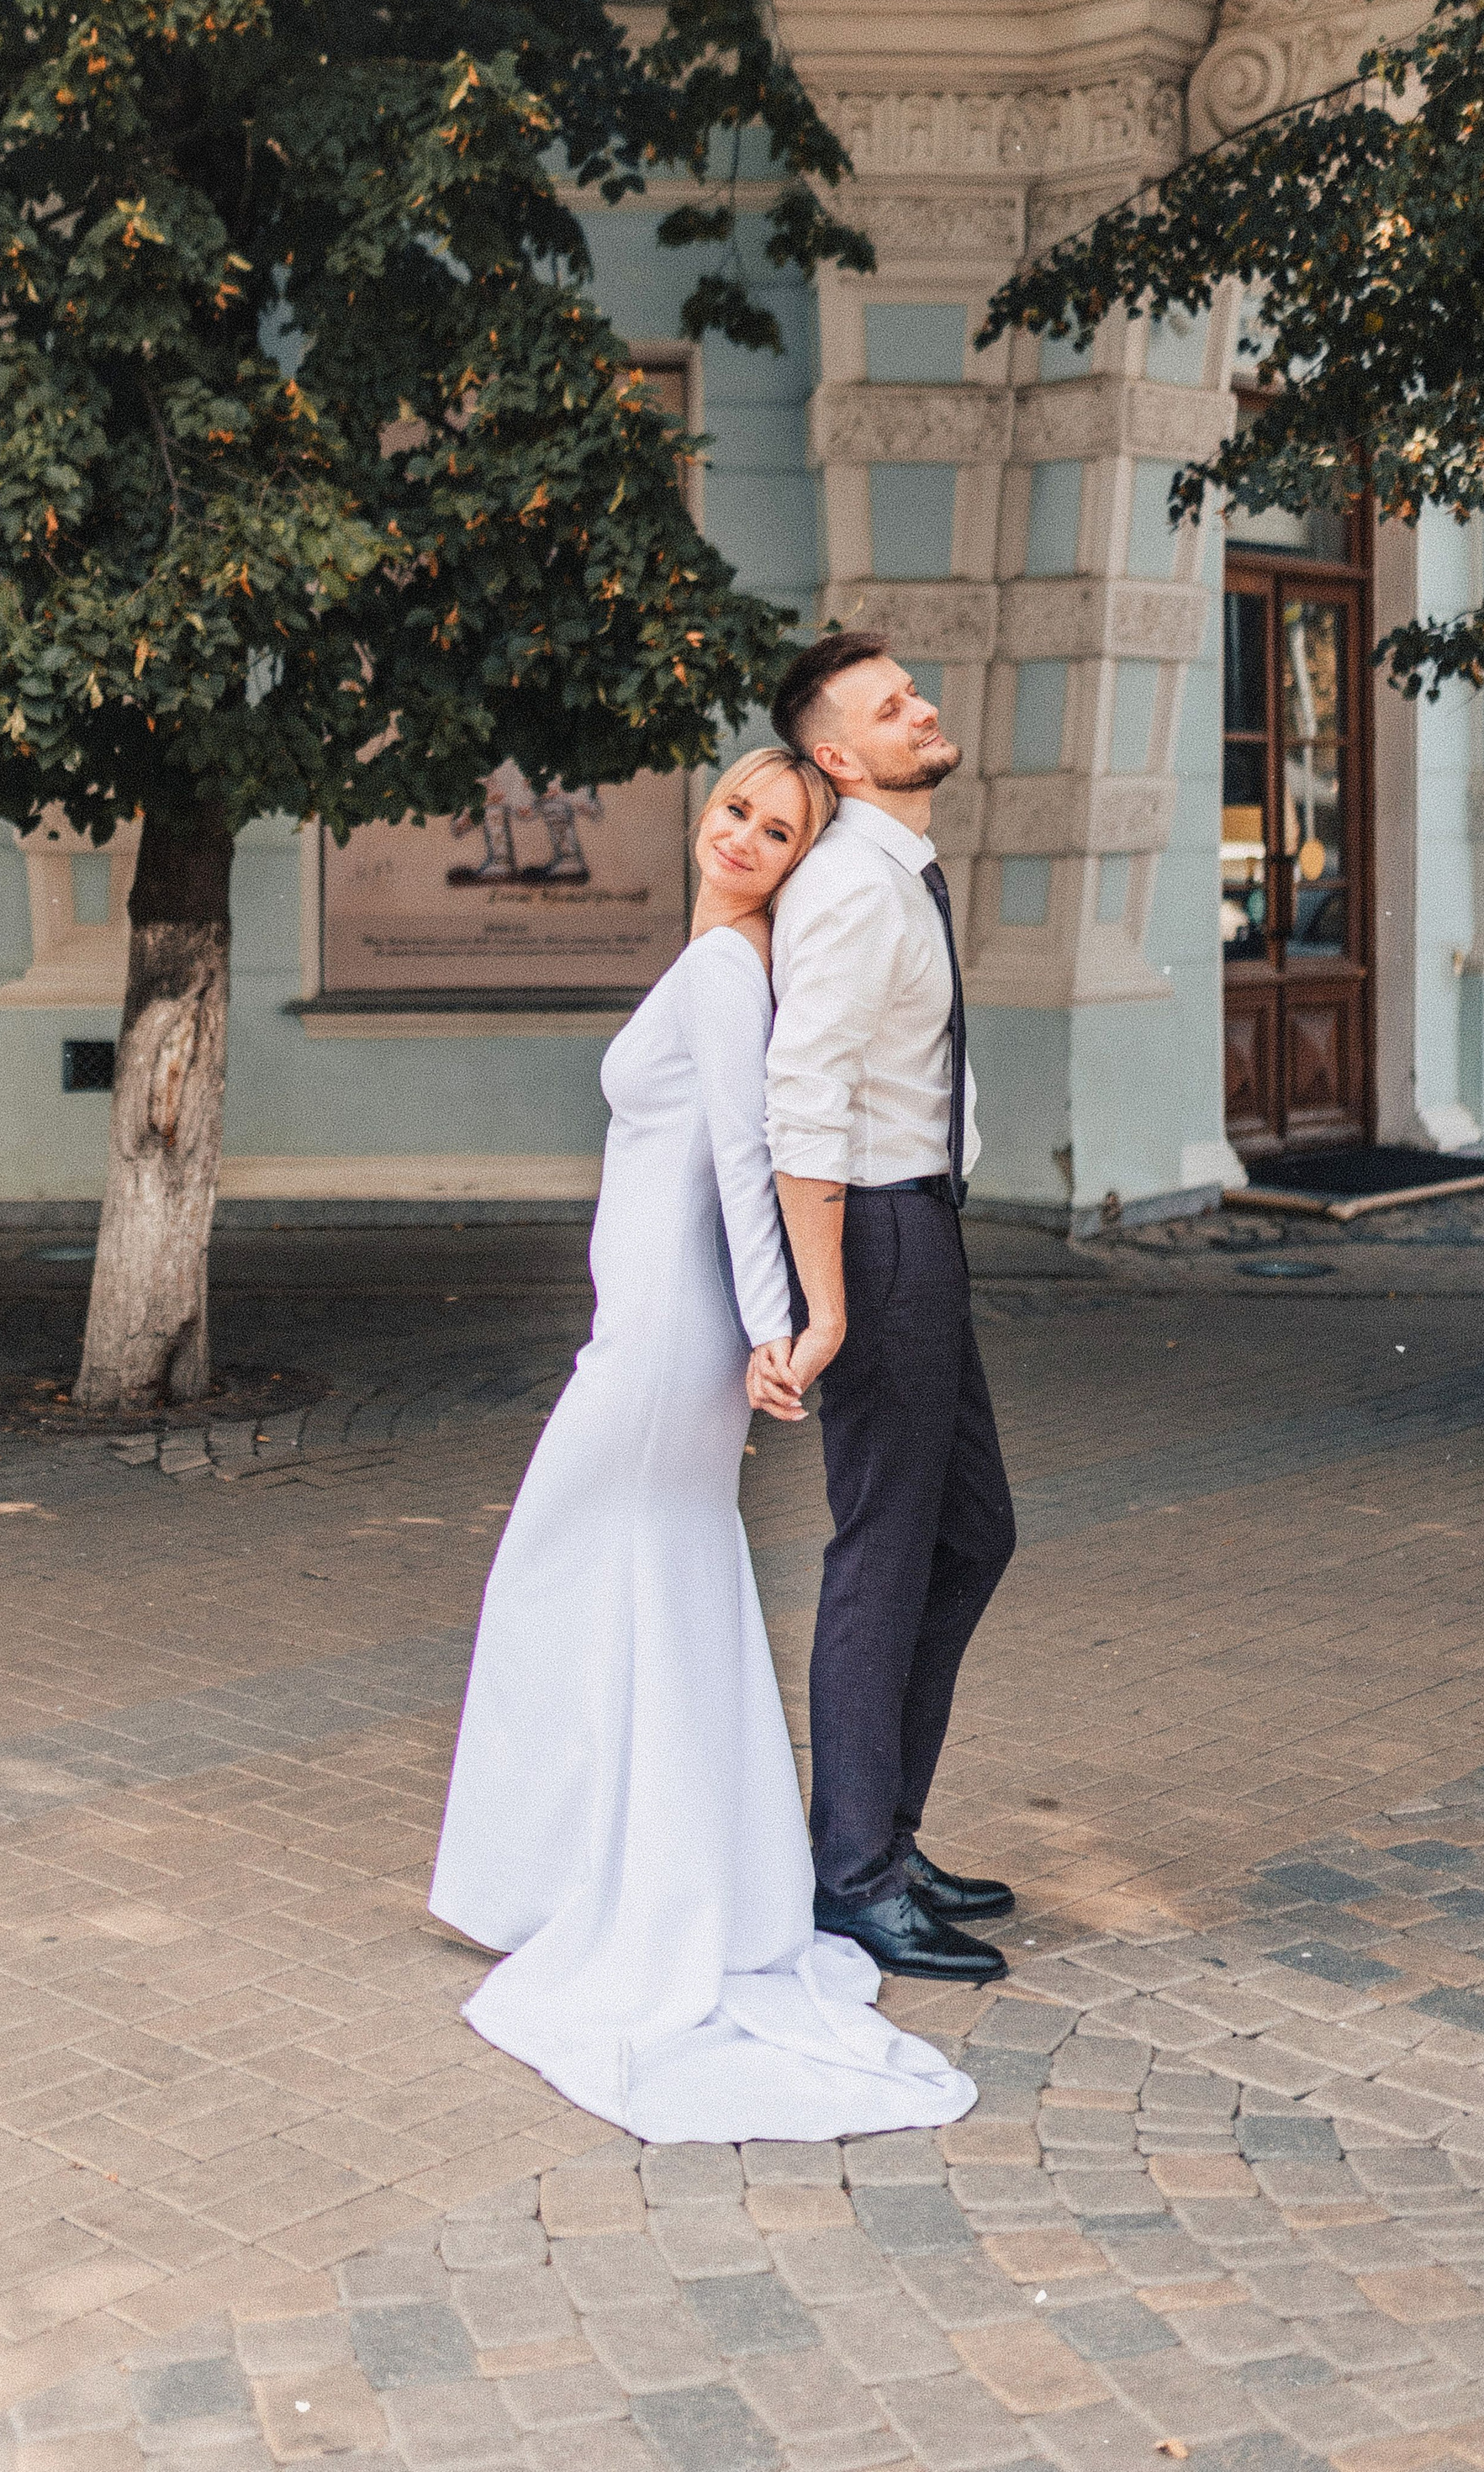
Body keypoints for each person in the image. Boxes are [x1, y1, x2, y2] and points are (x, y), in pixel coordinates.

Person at [430, 747, 976, 2144]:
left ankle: (596, 1886)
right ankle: (616, 1878)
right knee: (646, 1590)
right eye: (736, 808)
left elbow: (751, 1150)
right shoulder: (716, 957)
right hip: (653, 1329)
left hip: (672, 1344)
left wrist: (776, 1327)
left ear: (801, 864)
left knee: (569, 1574)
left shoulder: (735, 971)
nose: (742, 836)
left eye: (778, 831)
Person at [758, 632, 1018, 1984]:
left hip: (915, 1223)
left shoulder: (888, 870)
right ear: (836, 758)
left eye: (914, 689)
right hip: (877, 1230)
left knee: (970, 1532)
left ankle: (883, 1838)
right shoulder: (855, 891)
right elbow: (803, 1102)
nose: (923, 709)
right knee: (887, 1548)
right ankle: (854, 1878)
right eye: (889, 706)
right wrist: (825, 1303)